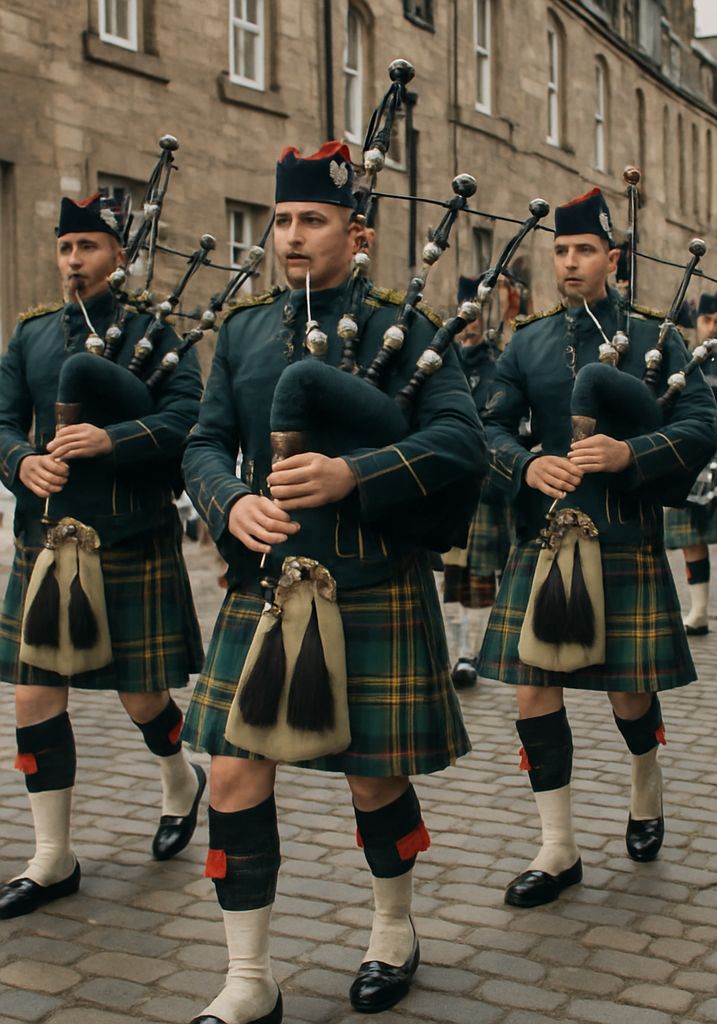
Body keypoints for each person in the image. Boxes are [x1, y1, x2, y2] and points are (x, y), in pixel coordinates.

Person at [180, 141, 485, 1022]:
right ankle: (249, 979)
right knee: (232, 776)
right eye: (281, 220)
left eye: (311, 220)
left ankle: (393, 930)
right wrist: (229, 500)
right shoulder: (244, 330)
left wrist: (357, 474)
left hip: (371, 578)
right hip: (266, 585)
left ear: (359, 233)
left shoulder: (406, 326)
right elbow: (203, 441)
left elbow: (460, 442)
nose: (290, 236)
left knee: (373, 780)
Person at [477, 188, 717, 907]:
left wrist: (631, 453)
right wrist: (525, 465)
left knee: (629, 692)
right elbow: (487, 428)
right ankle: (558, 848)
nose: (571, 262)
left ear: (613, 259)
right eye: (561, 250)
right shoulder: (527, 342)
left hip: (622, 536)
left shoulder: (654, 338)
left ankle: (646, 781)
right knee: (533, 689)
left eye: (585, 250)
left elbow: (702, 426)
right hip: (546, 538)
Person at [0, 193, 205, 919]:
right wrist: (21, 460)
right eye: (65, 247)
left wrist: (111, 440)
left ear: (120, 254)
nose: (74, 261)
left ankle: (180, 778)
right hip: (47, 539)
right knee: (33, 694)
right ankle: (52, 857)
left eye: (87, 246)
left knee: (141, 695)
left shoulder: (158, 334)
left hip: (128, 537)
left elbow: (189, 421)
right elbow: (1, 422)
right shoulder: (30, 335)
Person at [439, 275, 512, 689]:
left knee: (480, 576)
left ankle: (471, 654)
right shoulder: (442, 361)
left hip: (484, 487)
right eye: (464, 312)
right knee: (449, 578)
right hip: (448, 486)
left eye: (476, 313)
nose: (469, 322)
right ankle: (453, 652)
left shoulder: (497, 366)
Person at [664, 290, 717, 634]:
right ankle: (698, 610)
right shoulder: (684, 360)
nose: (713, 327)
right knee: (690, 537)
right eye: (706, 320)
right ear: (696, 323)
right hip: (690, 459)